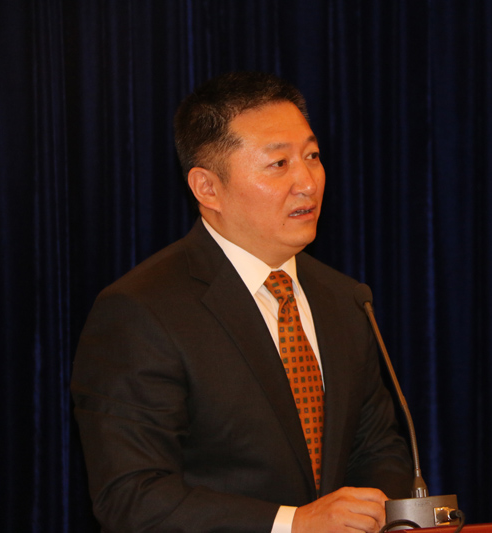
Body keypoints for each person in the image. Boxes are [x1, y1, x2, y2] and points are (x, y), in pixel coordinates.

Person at [71, 71, 412, 533]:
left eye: (312, 156)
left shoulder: (344, 298)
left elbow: (379, 449)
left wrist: (373, 514)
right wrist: (293, 524)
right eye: (279, 163)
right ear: (207, 188)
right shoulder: (141, 311)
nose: (308, 182)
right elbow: (131, 496)